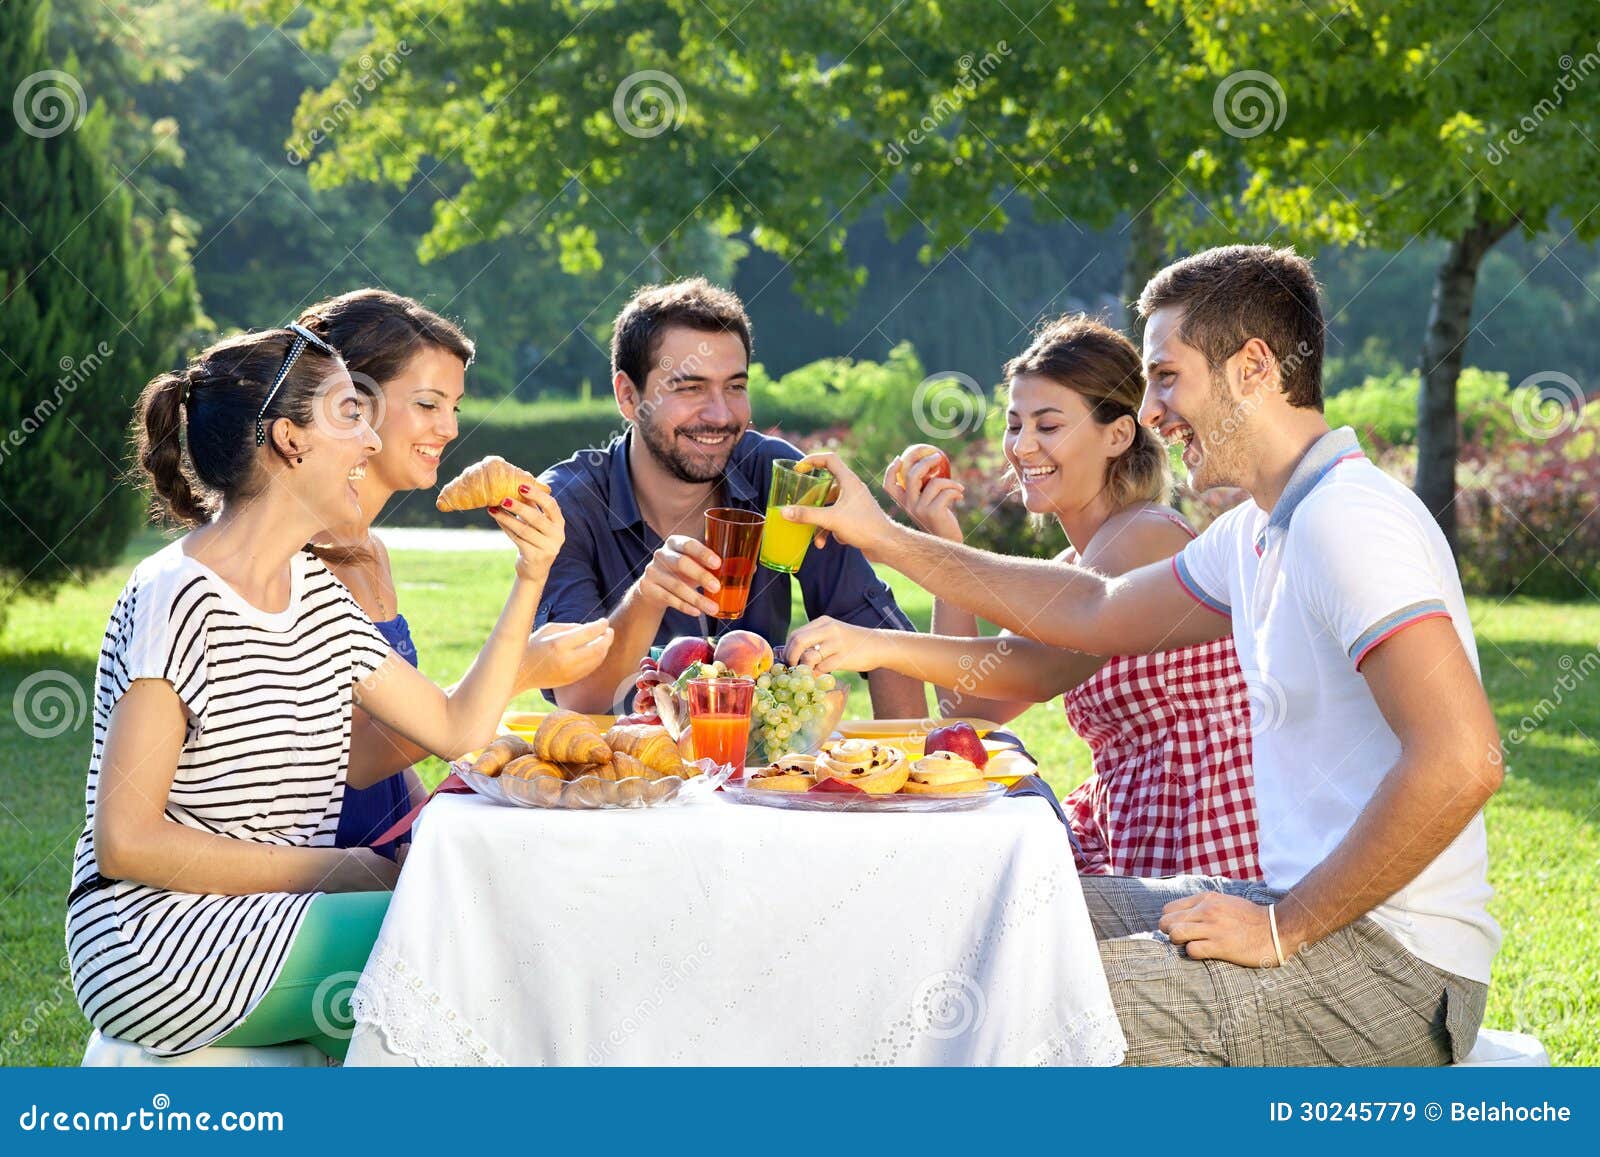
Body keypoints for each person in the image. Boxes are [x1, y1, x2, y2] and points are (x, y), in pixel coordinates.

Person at [784, 245, 1500, 1066]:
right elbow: (1092, 607)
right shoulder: (1256, 530)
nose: (1153, 411)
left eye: (1167, 376)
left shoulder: (1347, 519)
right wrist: (883, 535)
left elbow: (1463, 756)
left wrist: (1283, 924)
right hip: (1302, 910)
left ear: (1254, 367)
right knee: (987, 926)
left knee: (1035, 1007)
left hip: (1394, 971)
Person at [66, 327, 560, 1060]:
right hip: (154, 943)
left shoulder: (317, 596)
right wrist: (338, 869)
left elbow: (455, 727)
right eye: (350, 414)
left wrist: (531, 574)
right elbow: (126, 841)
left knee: (474, 937)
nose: (369, 440)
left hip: (271, 921)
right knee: (474, 952)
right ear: (290, 438)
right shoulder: (178, 597)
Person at [806, 315, 1258, 879]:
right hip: (1130, 827)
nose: (1022, 446)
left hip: (1207, 838)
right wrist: (946, 544)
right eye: (1015, 425)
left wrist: (875, 643)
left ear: (1118, 434)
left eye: (1048, 426)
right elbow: (965, 712)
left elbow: (1040, 672)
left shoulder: (1149, 534)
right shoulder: (1073, 568)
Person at [297, 290, 613, 856]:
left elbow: (388, 769)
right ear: (351, 405)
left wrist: (424, 825)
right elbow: (357, 763)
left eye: (455, 407)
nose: (448, 428)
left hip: (383, 847)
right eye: (427, 404)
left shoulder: (370, 551)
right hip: (318, 871)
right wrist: (520, 670)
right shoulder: (303, 554)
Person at [538, 277, 926, 717]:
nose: (721, 415)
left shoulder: (776, 477)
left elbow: (886, 643)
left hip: (757, 777)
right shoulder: (569, 502)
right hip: (623, 777)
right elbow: (578, 697)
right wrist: (647, 597)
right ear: (629, 396)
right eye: (690, 388)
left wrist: (903, 769)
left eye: (735, 387)